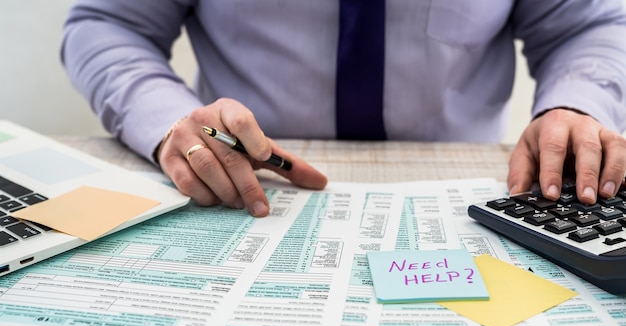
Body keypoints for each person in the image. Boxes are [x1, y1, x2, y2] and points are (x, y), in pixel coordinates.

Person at [61, 1, 626, 217]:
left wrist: (577, 103)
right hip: (244, 188)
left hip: (472, 193)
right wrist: (168, 120)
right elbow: (109, 24)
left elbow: (591, 25)